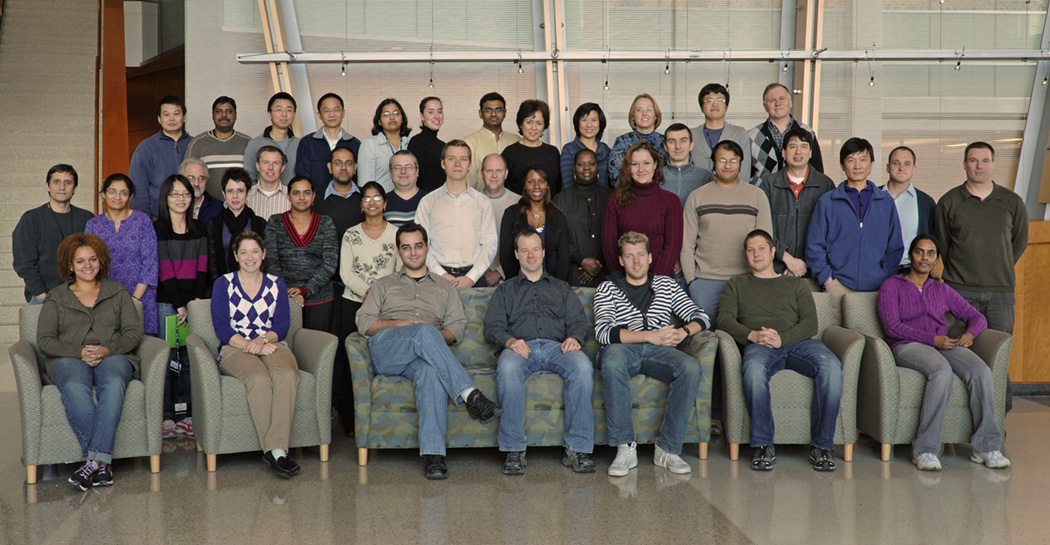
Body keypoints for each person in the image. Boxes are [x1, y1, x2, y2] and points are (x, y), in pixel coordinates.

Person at [356, 222, 503, 479]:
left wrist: (430, 337)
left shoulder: (445, 287)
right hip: (387, 350)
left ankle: (434, 456)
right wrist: (402, 325)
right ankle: (471, 395)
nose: (413, 253)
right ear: (399, 252)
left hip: (423, 357)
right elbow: (364, 322)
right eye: (406, 248)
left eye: (418, 246)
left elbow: (456, 329)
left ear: (427, 247)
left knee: (430, 372)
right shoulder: (383, 284)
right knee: (423, 331)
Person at [877, 235, 1009, 471]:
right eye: (919, 252)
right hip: (906, 345)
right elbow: (892, 326)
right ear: (910, 255)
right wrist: (932, 339)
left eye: (930, 254)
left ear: (936, 259)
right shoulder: (892, 285)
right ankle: (925, 450)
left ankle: (986, 446)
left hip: (943, 344)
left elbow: (977, 317)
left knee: (980, 370)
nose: (924, 258)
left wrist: (970, 334)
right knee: (941, 370)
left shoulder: (941, 289)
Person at [718, 229, 842, 472]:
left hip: (799, 343)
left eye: (761, 248)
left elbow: (810, 324)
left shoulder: (794, 283)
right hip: (760, 345)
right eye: (750, 250)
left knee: (832, 366)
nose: (756, 254)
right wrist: (752, 335)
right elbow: (723, 320)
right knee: (753, 369)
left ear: (773, 251)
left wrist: (781, 339)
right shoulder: (737, 284)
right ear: (745, 255)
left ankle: (822, 446)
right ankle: (763, 445)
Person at [594, 231, 710, 477]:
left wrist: (682, 333)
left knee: (690, 367)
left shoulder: (666, 285)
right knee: (612, 360)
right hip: (623, 350)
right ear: (621, 260)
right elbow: (604, 332)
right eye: (629, 256)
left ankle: (667, 449)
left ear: (649, 258)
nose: (636, 261)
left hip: (661, 352)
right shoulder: (607, 287)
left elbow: (701, 316)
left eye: (640, 255)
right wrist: (649, 335)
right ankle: (625, 447)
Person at [484, 230, 595, 475]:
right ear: (516, 254)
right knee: (508, 368)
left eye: (535, 249)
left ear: (544, 252)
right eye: (524, 250)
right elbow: (492, 328)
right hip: (520, 348)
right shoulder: (505, 290)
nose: (530, 255)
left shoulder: (562, 288)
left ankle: (578, 449)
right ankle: (514, 450)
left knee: (583, 367)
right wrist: (510, 340)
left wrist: (574, 338)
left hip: (559, 347)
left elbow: (578, 322)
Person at [38, 233, 143, 490]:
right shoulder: (56, 297)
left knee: (115, 380)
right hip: (69, 358)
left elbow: (133, 333)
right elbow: (45, 340)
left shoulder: (117, 292)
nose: (88, 265)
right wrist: (79, 351)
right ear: (70, 265)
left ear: (101, 261)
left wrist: (107, 349)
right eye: (81, 260)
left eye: (93, 259)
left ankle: (91, 464)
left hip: (114, 355)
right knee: (74, 386)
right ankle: (101, 464)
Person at [933, 141, 1027, 412]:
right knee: (959, 355)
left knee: (997, 356)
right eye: (973, 160)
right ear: (964, 164)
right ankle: (959, 418)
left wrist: (998, 266)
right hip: (958, 293)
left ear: (993, 164)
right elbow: (943, 245)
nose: (979, 166)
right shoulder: (949, 201)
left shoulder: (1012, 202)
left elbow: (1017, 243)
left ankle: (996, 423)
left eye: (984, 160)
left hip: (1000, 294)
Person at [210, 231, 302, 478]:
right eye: (243, 252)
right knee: (259, 379)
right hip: (235, 347)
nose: (249, 257)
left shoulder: (276, 284)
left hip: (271, 342)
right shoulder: (223, 284)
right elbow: (222, 328)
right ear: (235, 256)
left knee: (286, 374)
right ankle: (278, 452)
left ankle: (275, 450)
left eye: (255, 251)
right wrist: (251, 345)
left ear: (263, 254)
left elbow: (282, 325)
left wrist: (261, 341)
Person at [806, 137, 903, 325]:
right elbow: (814, 245)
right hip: (839, 286)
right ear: (843, 165)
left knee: (874, 342)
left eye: (863, 159)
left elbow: (895, 246)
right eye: (851, 160)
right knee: (841, 341)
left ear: (872, 164)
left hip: (877, 288)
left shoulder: (885, 202)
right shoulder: (827, 202)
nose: (857, 166)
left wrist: (886, 278)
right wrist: (828, 281)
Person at [336, 182, 402, 437]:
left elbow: (399, 270)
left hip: (388, 307)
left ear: (385, 203)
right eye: (366, 198)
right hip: (353, 302)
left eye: (377, 198)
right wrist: (368, 292)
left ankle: (384, 419)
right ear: (361, 204)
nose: (372, 202)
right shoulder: (351, 234)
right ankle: (351, 422)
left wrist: (381, 297)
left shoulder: (396, 234)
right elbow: (345, 272)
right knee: (351, 359)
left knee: (383, 359)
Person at [681, 140, 773, 323]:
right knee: (707, 340)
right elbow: (686, 244)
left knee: (744, 338)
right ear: (713, 163)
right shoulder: (697, 197)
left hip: (746, 281)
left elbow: (765, 244)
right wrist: (692, 281)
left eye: (733, 160)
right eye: (722, 160)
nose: (728, 165)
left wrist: (760, 279)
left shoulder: (756, 196)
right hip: (705, 281)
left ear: (741, 163)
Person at [154, 174, 208, 438]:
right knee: (165, 360)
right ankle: (166, 416)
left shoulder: (200, 228)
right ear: (166, 198)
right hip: (167, 304)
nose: (181, 199)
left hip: (193, 304)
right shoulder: (158, 228)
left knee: (188, 359)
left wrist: (193, 303)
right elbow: (164, 269)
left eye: (186, 194)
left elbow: (203, 267)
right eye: (175, 194)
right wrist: (179, 305)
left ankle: (186, 414)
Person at [415, 140, 498, 288]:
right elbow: (421, 244)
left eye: (463, 159)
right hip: (436, 279)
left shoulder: (482, 202)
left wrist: (471, 278)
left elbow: (489, 245)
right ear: (443, 163)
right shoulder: (428, 202)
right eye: (451, 158)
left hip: (474, 279)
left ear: (470, 165)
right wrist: (442, 276)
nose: (458, 164)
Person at [86, 174, 159, 335]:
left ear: (130, 196)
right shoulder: (93, 225)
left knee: (145, 348)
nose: (117, 197)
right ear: (103, 194)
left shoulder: (142, 221)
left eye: (123, 193)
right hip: (104, 300)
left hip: (141, 298)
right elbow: (88, 265)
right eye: (112, 191)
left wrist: (134, 299)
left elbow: (150, 263)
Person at [264, 176, 339, 332]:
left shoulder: (326, 223)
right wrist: (290, 290)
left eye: (306, 193)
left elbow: (330, 263)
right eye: (296, 193)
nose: (302, 198)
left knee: (317, 349)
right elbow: (271, 261)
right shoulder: (275, 222)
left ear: (313, 196)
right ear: (288, 195)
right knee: (287, 349)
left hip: (320, 297)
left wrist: (305, 290)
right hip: (285, 296)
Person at [13, 164, 93, 304]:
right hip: (44, 297)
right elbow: (23, 262)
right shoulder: (31, 219)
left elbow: (95, 258)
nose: (62, 187)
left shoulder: (87, 218)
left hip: (81, 299)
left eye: (67, 183)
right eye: (56, 182)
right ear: (47, 186)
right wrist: (40, 295)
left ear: (75, 188)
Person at [760, 127, 835, 277]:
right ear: (783, 152)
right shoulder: (768, 184)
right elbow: (763, 229)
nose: (798, 152)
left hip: (814, 271)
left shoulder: (825, 185)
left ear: (811, 153)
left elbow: (831, 231)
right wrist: (787, 259)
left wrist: (804, 265)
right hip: (776, 270)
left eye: (804, 146)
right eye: (793, 147)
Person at [602, 141, 682, 278]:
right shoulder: (615, 200)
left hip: (660, 280)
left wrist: (656, 281)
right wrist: (623, 280)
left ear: (655, 165)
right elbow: (609, 245)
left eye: (646, 163)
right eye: (635, 164)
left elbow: (673, 245)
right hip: (624, 280)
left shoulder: (671, 201)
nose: (641, 169)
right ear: (628, 168)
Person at [498, 168, 572, 281]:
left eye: (541, 181)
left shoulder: (558, 216)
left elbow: (563, 258)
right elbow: (506, 256)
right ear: (524, 186)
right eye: (531, 182)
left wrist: (556, 285)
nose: (536, 186)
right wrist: (518, 284)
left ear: (547, 185)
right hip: (519, 285)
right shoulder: (511, 214)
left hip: (552, 285)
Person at [554, 149, 614, 287]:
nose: (586, 168)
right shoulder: (560, 200)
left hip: (607, 274)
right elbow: (557, 237)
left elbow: (618, 235)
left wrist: (598, 264)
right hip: (572, 275)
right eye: (581, 164)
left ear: (597, 167)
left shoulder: (612, 197)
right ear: (574, 168)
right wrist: (581, 260)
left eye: (591, 163)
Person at [749, 83, 823, 183]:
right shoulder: (752, 136)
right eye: (772, 100)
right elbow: (745, 174)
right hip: (762, 196)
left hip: (799, 196)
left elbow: (817, 170)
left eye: (782, 98)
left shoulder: (807, 133)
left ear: (790, 103)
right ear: (765, 106)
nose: (778, 103)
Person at [130, 95, 191, 216]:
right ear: (159, 119)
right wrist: (143, 220)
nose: (171, 119)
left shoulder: (195, 144)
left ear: (184, 117)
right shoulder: (146, 147)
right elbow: (138, 187)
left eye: (176, 114)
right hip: (157, 216)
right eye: (166, 114)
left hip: (190, 217)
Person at [205, 168, 267, 284]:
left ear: (248, 193)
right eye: (230, 191)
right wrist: (221, 287)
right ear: (223, 193)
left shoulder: (259, 223)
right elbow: (212, 262)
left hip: (254, 286)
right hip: (222, 286)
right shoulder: (213, 224)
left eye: (240, 191)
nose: (235, 196)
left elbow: (264, 261)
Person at [185, 96, 252, 199]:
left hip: (240, 207)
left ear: (236, 115)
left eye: (229, 111)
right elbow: (187, 178)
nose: (224, 115)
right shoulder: (198, 143)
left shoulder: (248, 143)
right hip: (207, 209)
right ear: (213, 116)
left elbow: (254, 178)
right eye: (219, 111)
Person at [882, 146, 936, 273]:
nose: (901, 168)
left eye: (907, 164)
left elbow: (932, 241)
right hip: (876, 272)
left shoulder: (926, 203)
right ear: (887, 167)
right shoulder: (872, 197)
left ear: (914, 169)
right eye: (896, 163)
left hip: (911, 273)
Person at [296, 93, 361, 194]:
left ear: (343, 113)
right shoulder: (308, 143)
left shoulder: (354, 144)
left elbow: (358, 178)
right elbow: (303, 177)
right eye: (326, 111)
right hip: (315, 202)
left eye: (336, 110)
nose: (332, 115)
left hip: (347, 201)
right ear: (319, 115)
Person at [501, 99, 562, 195]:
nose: (534, 128)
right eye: (529, 122)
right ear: (521, 124)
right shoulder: (510, 153)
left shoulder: (553, 152)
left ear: (544, 126)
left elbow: (558, 187)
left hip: (549, 208)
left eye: (539, 123)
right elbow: (503, 188)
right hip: (517, 208)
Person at [691, 83, 753, 175]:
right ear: (701, 107)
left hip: (732, 189)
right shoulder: (691, 135)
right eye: (709, 100)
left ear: (726, 107)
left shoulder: (739, 134)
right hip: (698, 189)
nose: (715, 104)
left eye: (720, 100)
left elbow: (744, 171)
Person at [463, 92, 519, 191]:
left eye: (498, 110)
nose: (493, 114)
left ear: (505, 113)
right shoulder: (470, 143)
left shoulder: (516, 141)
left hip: (513, 203)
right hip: (479, 203)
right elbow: (468, 183)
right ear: (480, 113)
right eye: (488, 110)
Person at [608, 94, 668, 185]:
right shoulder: (622, 142)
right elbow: (615, 176)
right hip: (630, 195)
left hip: (659, 195)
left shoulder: (666, 142)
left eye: (649, 109)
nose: (644, 113)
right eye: (639, 110)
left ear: (656, 115)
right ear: (633, 116)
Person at [243, 92, 299, 186]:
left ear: (294, 114)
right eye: (278, 110)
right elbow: (249, 179)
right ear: (269, 114)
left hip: (294, 199)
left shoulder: (300, 144)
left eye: (289, 110)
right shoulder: (255, 144)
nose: (284, 114)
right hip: (262, 199)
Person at [482, 154, 521, 286]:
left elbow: (523, 244)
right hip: (477, 278)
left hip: (510, 279)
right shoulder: (470, 201)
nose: (494, 176)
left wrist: (499, 272)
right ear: (482, 174)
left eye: (499, 171)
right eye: (489, 171)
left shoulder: (519, 203)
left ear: (506, 173)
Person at [357, 98, 411, 193]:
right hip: (380, 202)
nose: (392, 117)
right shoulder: (369, 144)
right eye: (386, 115)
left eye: (396, 113)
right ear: (379, 121)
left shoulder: (411, 143)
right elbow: (365, 184)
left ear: (402, 119)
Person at [315, 146, 364, 240]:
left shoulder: (365, 197)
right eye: (338, 163)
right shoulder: (317, 199)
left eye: (349, 163)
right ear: (330, 167)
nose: (344, 168)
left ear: (355, 168)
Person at [560, 102, 612, 189]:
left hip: (604, 200)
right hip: (575, 201)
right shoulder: (569, 150)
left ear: (600, 123)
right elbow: (567, 184)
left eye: (594, 120)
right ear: (577, 123)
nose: (589, 125)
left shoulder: (606, 150)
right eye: (584, 120)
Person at [663, 122, 714, 205]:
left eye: (683, 141)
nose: (678, 146)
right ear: (665, 146)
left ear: (691, 145)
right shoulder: (655, 176)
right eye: (672, 141)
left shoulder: (706, 177)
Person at [407, 96, 446, 193]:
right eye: (431, 112)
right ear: (422, 116)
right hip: (425, 201)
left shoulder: (443, 146)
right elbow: (419, 179)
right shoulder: (416, 142)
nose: (437, 116)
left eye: (440, 111)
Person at [245, 146, 291, 221]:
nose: (270, 168)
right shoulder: (245, 195)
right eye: (265, 163)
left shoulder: (291, 197)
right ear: (258, 166)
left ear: (282, 168)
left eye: (276, 163)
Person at [384, 150, 425, 227]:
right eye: (397, 167)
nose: (403, 171)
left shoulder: (430, 200)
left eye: (409, 167)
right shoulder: (381, 203)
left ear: (417, 171)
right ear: (390, 172)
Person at [181, 157, 223, 225]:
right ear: (181, 180)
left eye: (201, 178)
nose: (196, 183)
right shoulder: (174, 206)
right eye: (191, 178)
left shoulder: (218, 207)